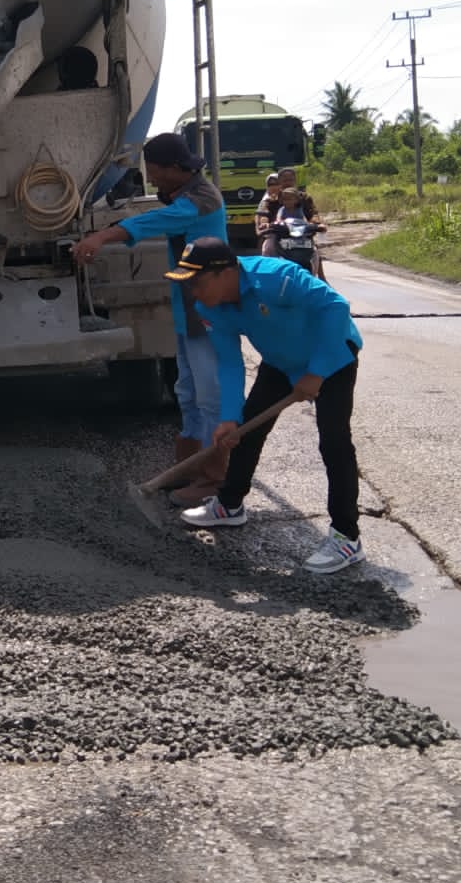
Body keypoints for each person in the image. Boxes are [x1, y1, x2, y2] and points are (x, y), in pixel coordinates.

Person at [163, 237, 366, 574]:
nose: (192, 292)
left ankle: (347, 538)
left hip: (331, 356)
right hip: (281, 362)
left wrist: (316, 372)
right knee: (245, 429)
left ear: (225, 273)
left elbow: (336, 307)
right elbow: (229, 363)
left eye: (196, 282)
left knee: (334, 443)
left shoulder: (275, 278)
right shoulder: (209, 308)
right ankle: (229, 505)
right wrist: (229, 418)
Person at [72, 134, 228, 504]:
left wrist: (102, 236)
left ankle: (216, 481)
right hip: (189, 311)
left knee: (210, 396)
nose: (152, 178)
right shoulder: (184, 194)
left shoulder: (201, 199)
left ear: (175, 168)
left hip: (209, 313)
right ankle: (188, 469)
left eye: (155, 171)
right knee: (187, 393)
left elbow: (158, 219)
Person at [255, 172, 283, 257]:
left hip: (292, 231)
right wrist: (263, 224)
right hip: (273, 232)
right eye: (270, 184)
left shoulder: (289, 197)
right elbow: (262, 215)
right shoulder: (266, 201)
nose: (274, 187)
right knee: (267, 249)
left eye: (277, 184)